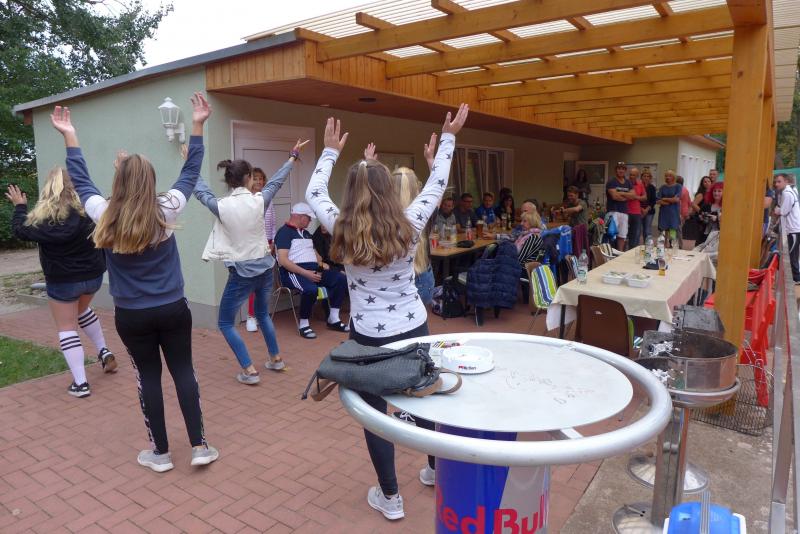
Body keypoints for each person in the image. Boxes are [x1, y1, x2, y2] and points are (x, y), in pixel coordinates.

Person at [305, 104, 469, 521]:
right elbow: (438, 184)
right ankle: (435, 471)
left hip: (369, 338)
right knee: (425, 397)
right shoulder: (409, 222)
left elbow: (313, 193)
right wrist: (448, 139)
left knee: (375, 415)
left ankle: (391, 496)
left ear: (351, 192)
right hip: (414, 327)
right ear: (389, 191)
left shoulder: (339, 226)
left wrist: (329, 152)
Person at [53, 94, 218, 472]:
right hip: (173, 309)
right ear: (151, 180)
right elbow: (190, 172)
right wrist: (197, 125)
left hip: (132, 315)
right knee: (183, 372)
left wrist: (70, 135)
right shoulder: (167, 208)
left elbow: (81, 181)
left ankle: (160, 454)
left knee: (148, 378)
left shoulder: (105, 214)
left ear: (118, 181)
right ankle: (199, 447)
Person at [194, 141, 307, 385]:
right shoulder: (259, 200)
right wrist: (292, 156)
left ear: (229, 180)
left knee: (225, 322)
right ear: (248, 178)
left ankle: (249, 370)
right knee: (263, 314)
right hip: (265, 267)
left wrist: (190, 164)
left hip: (241, 272)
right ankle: (275, 359)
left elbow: (201, 192)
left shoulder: (221, 206)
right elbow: (276, 182)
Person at [5, 170, 113, 398]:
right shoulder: (88, 212)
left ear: (48, 189)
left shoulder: (42, 219)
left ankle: (81, 384)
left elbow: (19, 230)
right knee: (81, 310)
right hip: (93, 277)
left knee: (66, 327)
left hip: (63, 282)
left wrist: (20, 206)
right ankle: (104, 351)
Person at [275, 203, 349, 339]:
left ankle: (333, 319)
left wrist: (320, 265)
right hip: (293, 273)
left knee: (340, 279)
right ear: (300, 217)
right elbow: (283, 261)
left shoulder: (307, 234)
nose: (310, 221)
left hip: (313, 270)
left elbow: (317, 257)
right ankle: (304, 324)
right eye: (309, 218)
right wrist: (306, 273)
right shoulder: (284, 233)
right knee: (310, 289)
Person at [392, 167, 436, 306]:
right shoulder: (424, 212)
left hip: (392, 279)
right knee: (418, 317)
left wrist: (368, 165)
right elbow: (437, 189)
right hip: (422, 275)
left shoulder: (382, 217)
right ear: (417, 187)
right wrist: (432, 162)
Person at [245, 168, 277, 332]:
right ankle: (251, 316)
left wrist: (273, 242)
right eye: (255, 178)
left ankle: (261, 314)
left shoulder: (268, 198)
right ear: (249, 180)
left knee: (265, 282)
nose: (258, 182)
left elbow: (272, 223)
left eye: (261, 179)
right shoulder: (246, 199)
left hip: (268, 244)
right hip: (253, 245)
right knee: (253, 282)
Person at [774, 173, 800, 283]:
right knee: (792, 255)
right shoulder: (789, 191)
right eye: (776, 182)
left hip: (793, 229)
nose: (776, 184)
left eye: (779, 181)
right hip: (793, 229)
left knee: (792, 255)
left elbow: (783, 211)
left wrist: (777, 210)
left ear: (786, 181)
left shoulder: (787, 193)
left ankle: (796, 278)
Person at [606, 163, 635, 250]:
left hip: (624, 212)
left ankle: (620, 253)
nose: (621, 170)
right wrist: (627, 195)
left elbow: (633, 196)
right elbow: (614, 196)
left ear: (625, 170)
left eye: (623, 169)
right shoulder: (611, 181)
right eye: (619, 168)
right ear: (616, 170)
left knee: (622, 235)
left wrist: (620, 193)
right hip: (613, 211)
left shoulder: (628, 182)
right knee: (611, 234)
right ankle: (610, 253)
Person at [683, 176, 712, 248]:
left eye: (708, 181)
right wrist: (702, 212)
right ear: (702, 184)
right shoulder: (701, 194)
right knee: (701, 236)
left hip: (707, 218)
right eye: (705, 182)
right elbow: (693, 204)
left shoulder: (711, 193)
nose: (707, 183)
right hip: (701, 218)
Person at [657, 170, 683, 247]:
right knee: (663, 231)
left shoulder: (678, 186)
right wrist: (669, 200)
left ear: (674, 177)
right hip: (664, 212)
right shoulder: (662, 187)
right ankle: (663, 246)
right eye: (666, 176)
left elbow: (676, 199)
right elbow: (657, 200)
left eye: (670, 176)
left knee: (673, 230)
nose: (667, 177)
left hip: (673, 213)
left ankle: (672, 246)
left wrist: (664, 198)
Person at [626, 167, 647, 249]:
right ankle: (622, 252)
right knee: (624, 234)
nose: (631, 177)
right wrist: (631, 196)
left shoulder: (640, 184)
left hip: (637, 213)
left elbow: (645, 197)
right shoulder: (625, 183)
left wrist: (635, 197)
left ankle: (632, 250)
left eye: (634, 175)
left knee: (634, 234)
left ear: (637, 176)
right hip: (626, 211)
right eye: (630, 175)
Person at [641, 170, 658, 243]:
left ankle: (648, 245)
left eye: (648, 176)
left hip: (649, 211)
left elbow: (653, 200)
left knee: (647, 230)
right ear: (641, 177)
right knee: (639, 229)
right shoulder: (639, 186)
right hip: (639, 210)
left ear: (650, 178)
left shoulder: (652, 187)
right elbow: (636, 199)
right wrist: (642, 209)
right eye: (644, 176)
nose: (646, 178)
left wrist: (647, 209)